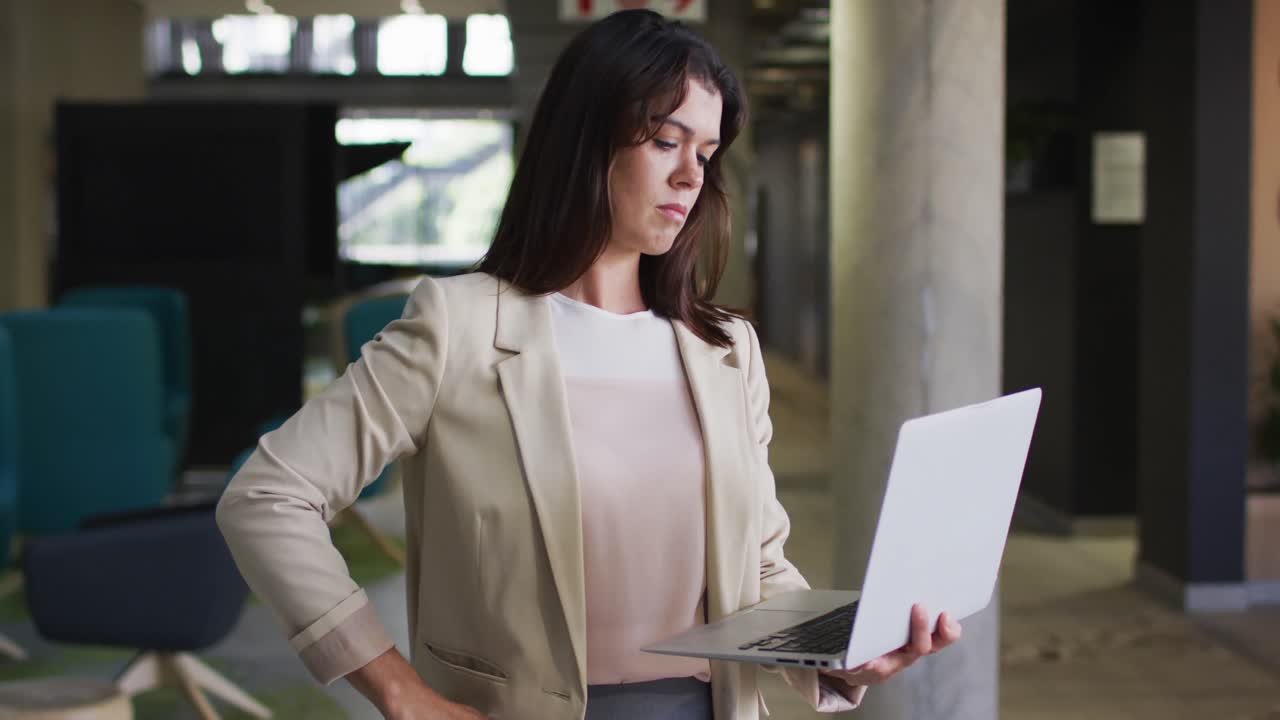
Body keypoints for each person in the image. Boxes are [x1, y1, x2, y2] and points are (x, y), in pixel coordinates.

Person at [217, 9, 962, 720]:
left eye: (704, 153)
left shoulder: (726, 350)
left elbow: (758, 570)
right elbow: (268, 497)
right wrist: (396, 690)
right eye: (666, 141)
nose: (691, 176)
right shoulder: (462, 326)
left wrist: (841, 651)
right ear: (588, 139)